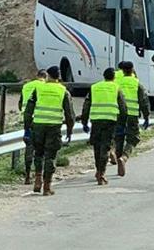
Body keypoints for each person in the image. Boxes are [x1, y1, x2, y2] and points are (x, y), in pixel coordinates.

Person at [24, 66, 75, 196]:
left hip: (38, 125)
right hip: (54, 127)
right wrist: (69, 130)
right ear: (59, 76)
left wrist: (27, 128)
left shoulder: (38, 88)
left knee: (38, 154)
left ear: (48, 76)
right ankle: (47, 186)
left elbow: (28, 110)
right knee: (50, 156)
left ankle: (37, 179)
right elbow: (70, 114)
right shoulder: (63, 91)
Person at [81, 68, 127, 185]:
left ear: (103, 76)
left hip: (96, 121)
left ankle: (98, 170)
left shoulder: (94, 87)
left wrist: (84, 121)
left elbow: (86, 106)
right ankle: (101, 173)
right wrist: (122, 122)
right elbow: (123, 107)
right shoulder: (116, 88)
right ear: (114, 77)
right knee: (105, 148)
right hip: (110, 121)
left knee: (97, 147)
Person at [116, 62, 150, 176]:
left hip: (119, 115)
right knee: (133, 138)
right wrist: (146, 116)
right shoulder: (137, 84)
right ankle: (124, 157)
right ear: (132, 70)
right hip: (132, 115)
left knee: (119, 138)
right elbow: (144, 101)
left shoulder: (117, 83)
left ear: (123, 71)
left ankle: (118, 160)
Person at [18, 69, 48, 184]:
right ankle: (39, 175)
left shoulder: (26, 86)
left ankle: (27, 174)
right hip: (40, 119)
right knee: (40, 149)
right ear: (45, 77)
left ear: (37, 76)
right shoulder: (44, 86)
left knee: (29, 147)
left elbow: (20, 103)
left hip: (27, 119)